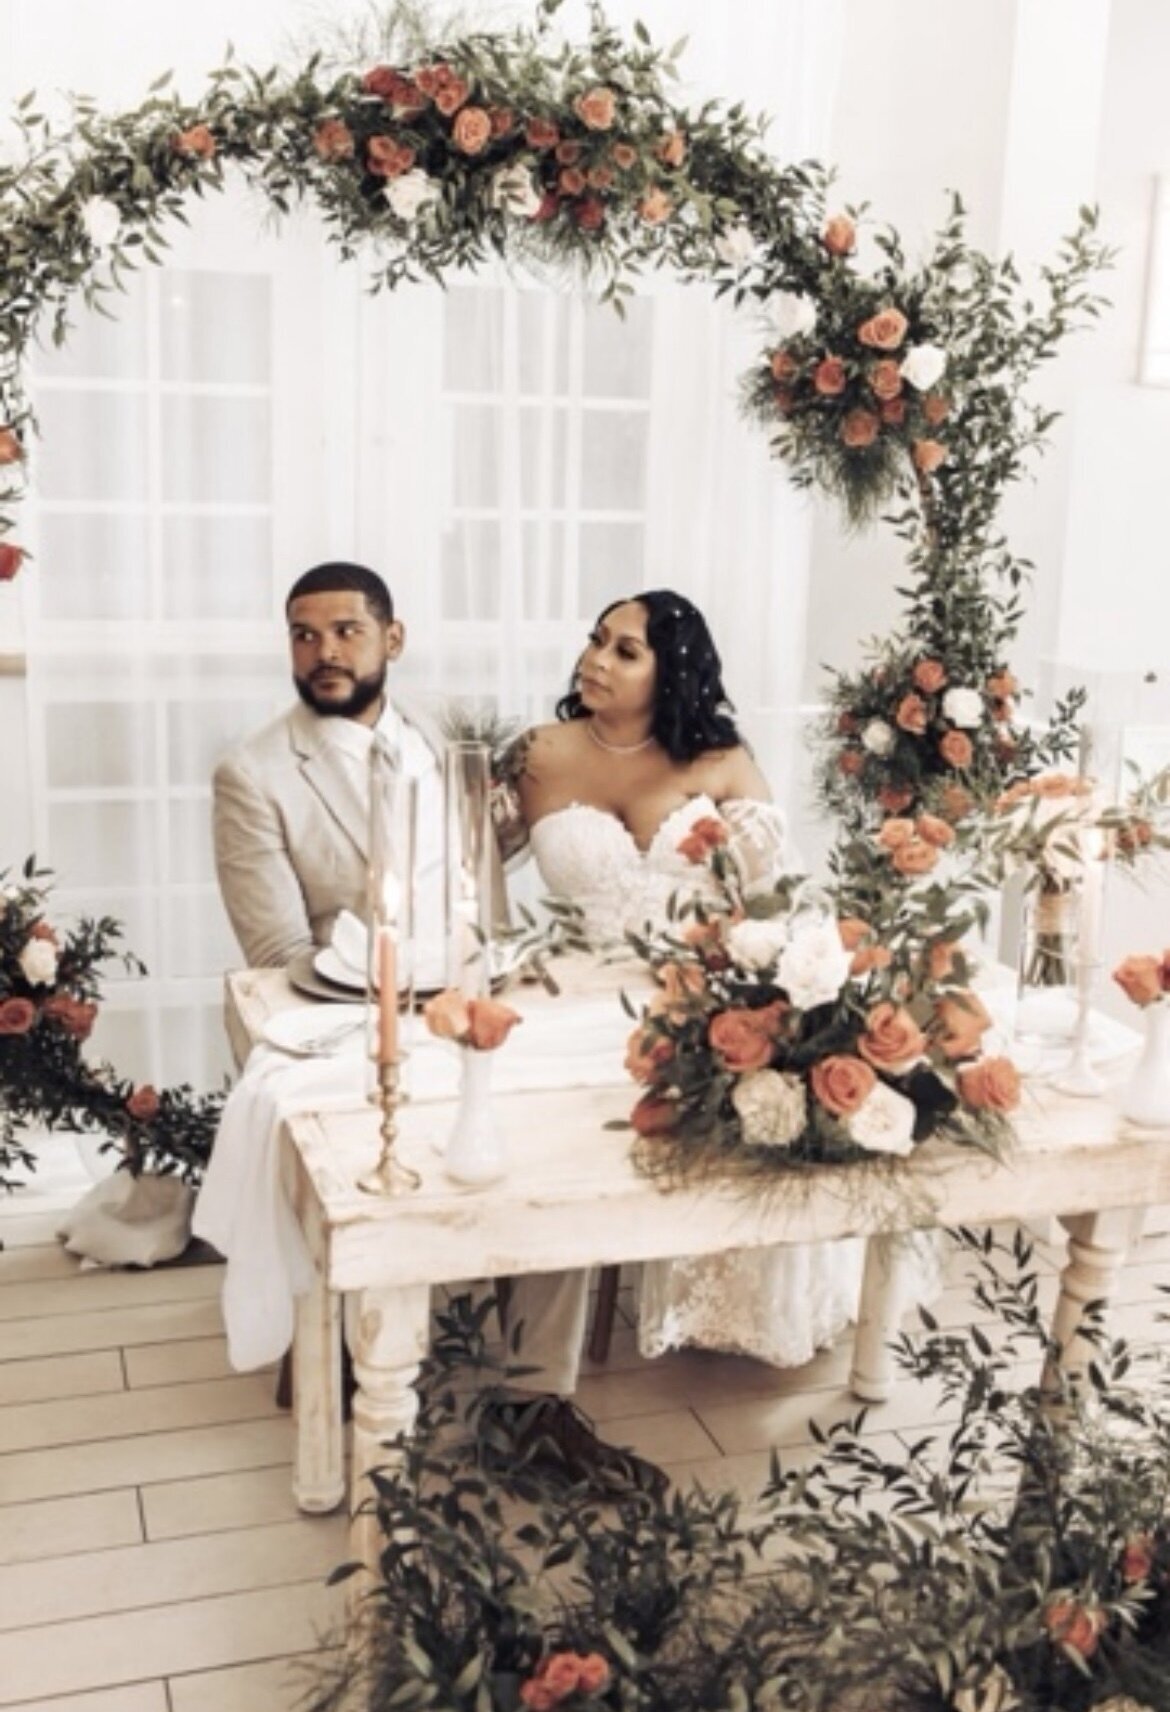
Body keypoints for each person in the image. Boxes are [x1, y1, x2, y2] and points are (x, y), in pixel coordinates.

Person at [211, 561, 664, 1495]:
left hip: (472, 998)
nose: (324, 652)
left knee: (561, 1135)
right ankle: (372, 1347)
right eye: (304, 634)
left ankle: (533, 1407)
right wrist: (411, 1009)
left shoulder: (450, 739)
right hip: (345, 1018)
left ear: (393, 638)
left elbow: (482, 879)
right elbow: (279, 953)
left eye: (345, 631)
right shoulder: (254, 774)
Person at [506, 589, 866, 1368]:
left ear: (671, 673)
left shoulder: (722, 759)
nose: (596, 661)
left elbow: (783, 898)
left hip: (704, 994)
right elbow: (462, 859)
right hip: (585, 992)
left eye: (625, 651)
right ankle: (535, 1327)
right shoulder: (538, 752)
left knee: (752, 1069)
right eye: (597, 641)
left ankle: (730, 1297)